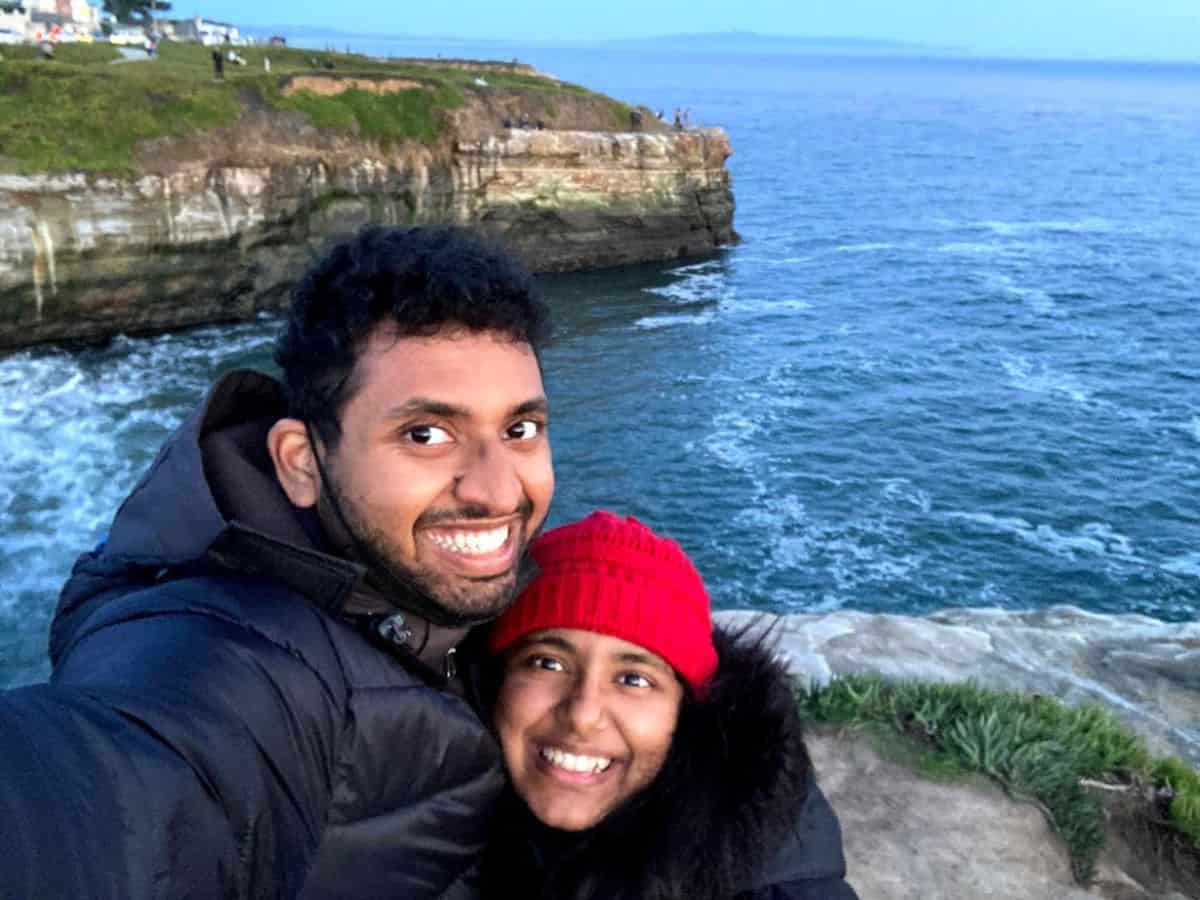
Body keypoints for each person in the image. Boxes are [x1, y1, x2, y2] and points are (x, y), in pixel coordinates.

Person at [0, 225, 555, 898]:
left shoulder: (423, 604)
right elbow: (108, 799)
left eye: (519, 430)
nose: (498, 490)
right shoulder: (229, 665)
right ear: (301, 463)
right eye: (426, 435)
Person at [480, 512, 859, 900]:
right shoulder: (446, 800)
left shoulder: (773, 877)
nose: (582, 714)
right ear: (496, 681)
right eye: (548, 663)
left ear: (687, 711)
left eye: (633, 679)